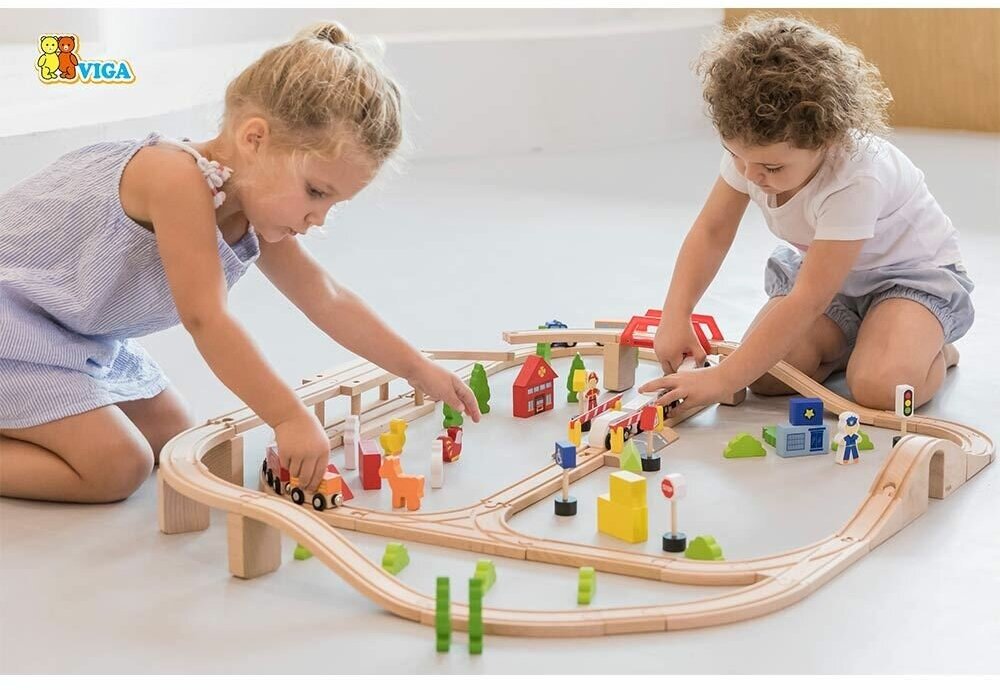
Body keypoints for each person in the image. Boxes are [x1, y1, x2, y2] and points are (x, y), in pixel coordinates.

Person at [0, 22, 480, 504]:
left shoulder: (248, 206)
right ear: (254, 139)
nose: (318, 219)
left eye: (333, 204)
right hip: (12, 325)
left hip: (69, 333)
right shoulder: (173, 178)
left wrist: (417, 368)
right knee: (119, 466)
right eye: (315, 192)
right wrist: (288, 417)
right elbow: (207, 319)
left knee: (171, 435)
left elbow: (326, 297)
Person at [639, 15, 972, 415]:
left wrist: (723, 378)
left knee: (882, 388)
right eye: (736, 156)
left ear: (826, 140)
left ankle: (933, 349)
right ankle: (859, 341)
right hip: (832, 279)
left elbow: (808, 299)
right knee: (766, 376)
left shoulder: (855, 177)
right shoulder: (754, 155)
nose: (750, 175)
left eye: (772, 167)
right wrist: (676, 315)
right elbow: (711, 231)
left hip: (909, 281)